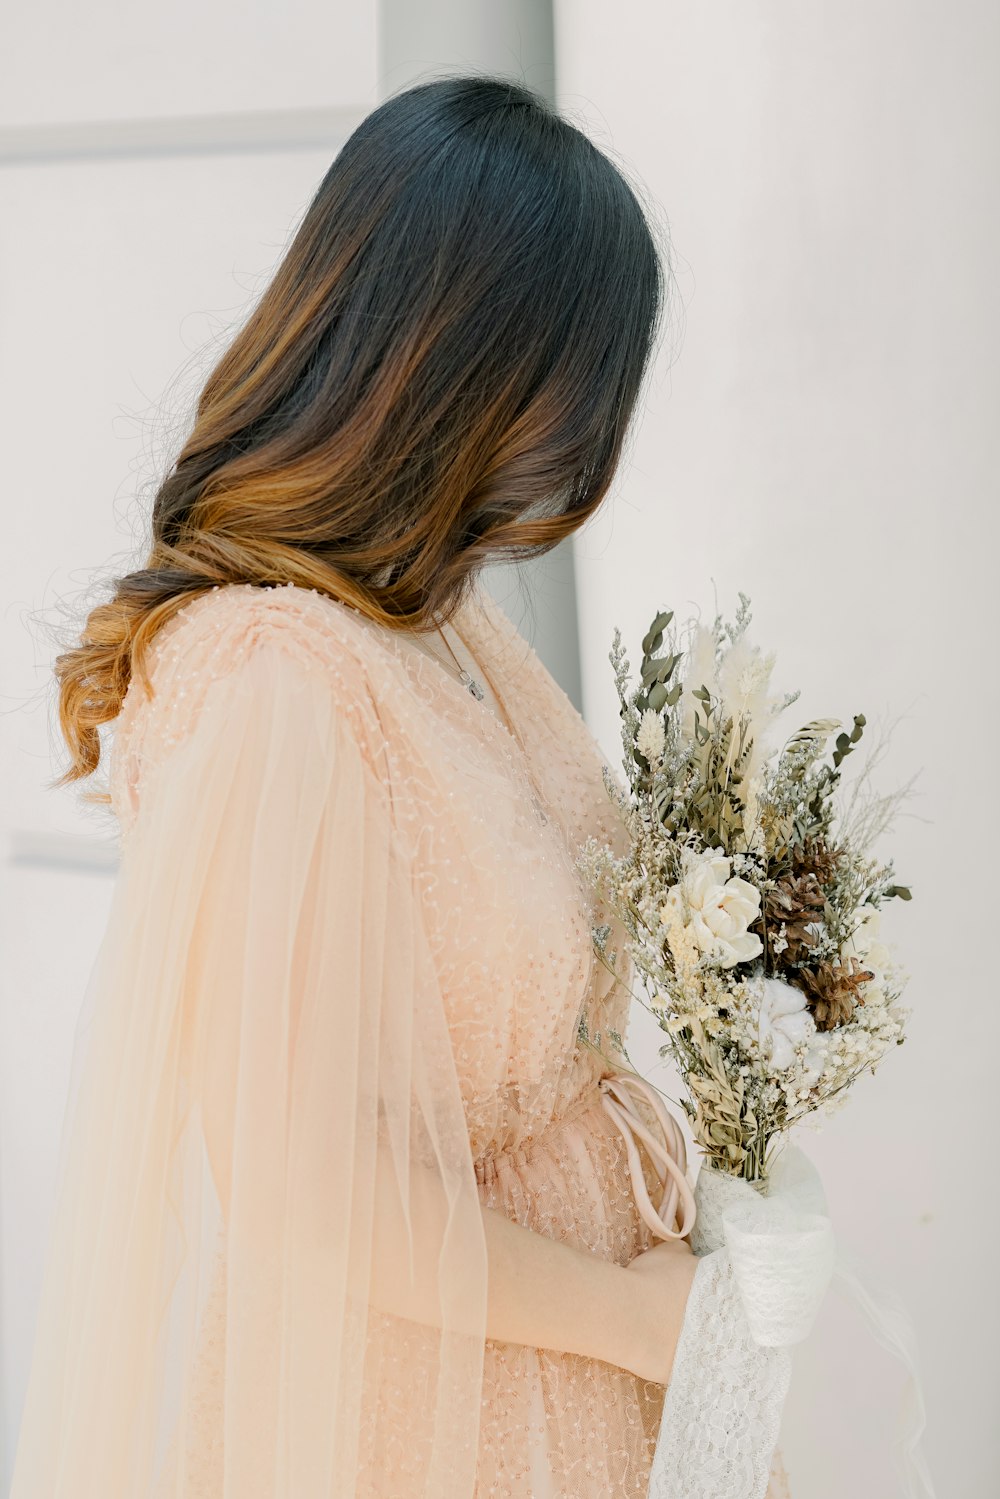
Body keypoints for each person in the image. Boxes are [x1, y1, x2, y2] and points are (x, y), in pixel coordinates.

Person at [9, 74, 791, 1497]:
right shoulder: (273, 680)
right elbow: (308, 1198)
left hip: (579, 1370)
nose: (582, 439)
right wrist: (636, 1321)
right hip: (440, 1408)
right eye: (578, 382)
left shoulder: (436, 616)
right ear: (470, 366)